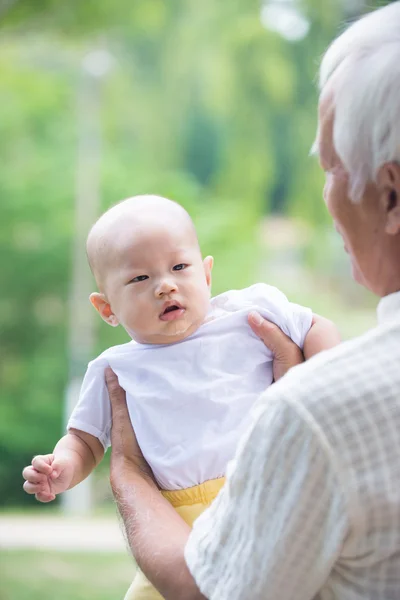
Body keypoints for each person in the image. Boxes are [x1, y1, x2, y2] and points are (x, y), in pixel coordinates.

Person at [104, 2, 400, 599]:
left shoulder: (321, 414)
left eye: (332, 169)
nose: (324, 197)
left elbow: (206, 589)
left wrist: (129, 472)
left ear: (390, 195)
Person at [21, 194, 339, 600]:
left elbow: (317, 328)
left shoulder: (248, 314)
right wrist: (62, 467)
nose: (165, 285)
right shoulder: (115, 369)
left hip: (263, 491)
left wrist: (324, 390)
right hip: (173, 519)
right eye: (139, 279)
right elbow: (85, 439)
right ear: (106, 308)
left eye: (179, 267)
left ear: (206, 275)